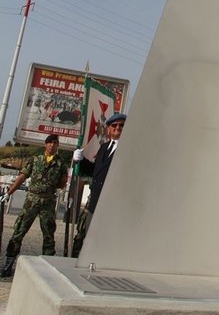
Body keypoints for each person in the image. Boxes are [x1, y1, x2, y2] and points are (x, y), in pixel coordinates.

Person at [0, 134, 68, 277]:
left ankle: (46, 268)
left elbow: (62, 184)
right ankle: (8, 264)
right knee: (18, 232)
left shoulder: (61, 164)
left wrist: (63, 180)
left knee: (48, 236)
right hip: (32, 200)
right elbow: (22, 177)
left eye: (55, 143)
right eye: (50, 143)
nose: (52, 145)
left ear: (57, 146)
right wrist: (9, 192)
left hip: (48, 202)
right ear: (45, 144)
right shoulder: (35, 160)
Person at [71, 112, 126, 257]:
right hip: (95, 203)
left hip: (112, 205)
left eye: (122, 125)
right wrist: (81, 160)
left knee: (106, 244)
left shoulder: (129, 149)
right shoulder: (104, 147)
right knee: (89, 241)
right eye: (114, 125)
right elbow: (95, 171)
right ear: (108, 129)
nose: (118, 128)